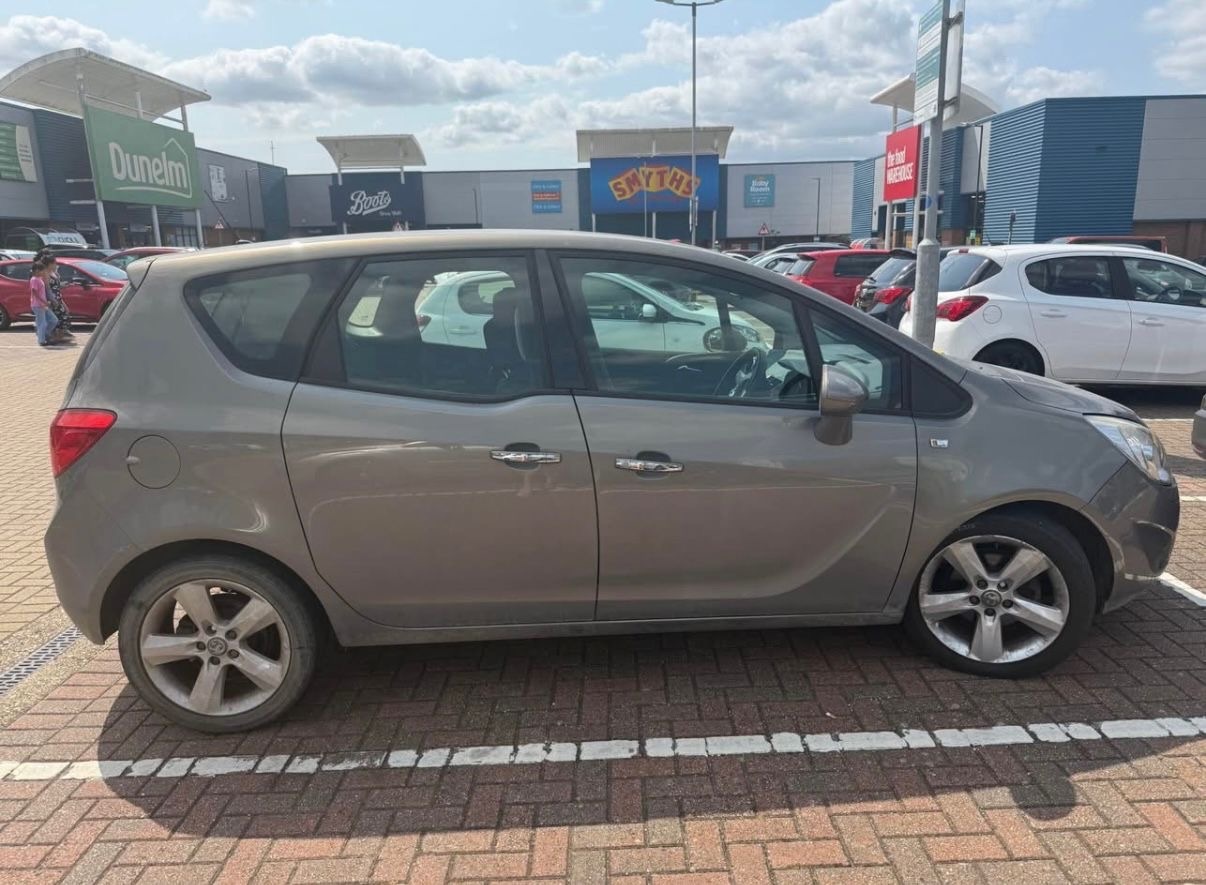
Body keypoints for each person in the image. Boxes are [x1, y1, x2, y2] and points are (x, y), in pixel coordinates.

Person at [36, 248, 74, 343]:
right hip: (52, 300)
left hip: (58, 298)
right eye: (54, 263)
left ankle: (58, 336)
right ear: (49, 264)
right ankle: (51, 336)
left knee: (64, 315)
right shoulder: (45, 274)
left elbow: (56, 286)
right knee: (59, 318)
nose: (56, 265)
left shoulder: (55, 273)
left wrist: (64, 285)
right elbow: (47, 289)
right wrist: (52, 300)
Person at [30, 256, 60, 346]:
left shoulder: (39, 279)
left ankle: (45, 335)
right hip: (38, 305)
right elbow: (35, 292)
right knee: (42, 323)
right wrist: (44, 302)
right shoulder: (34, 279)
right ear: (36, 271)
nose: (43, 272)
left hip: (43, 304)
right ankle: (42, 340)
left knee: (54, 320)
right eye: (41, 270)